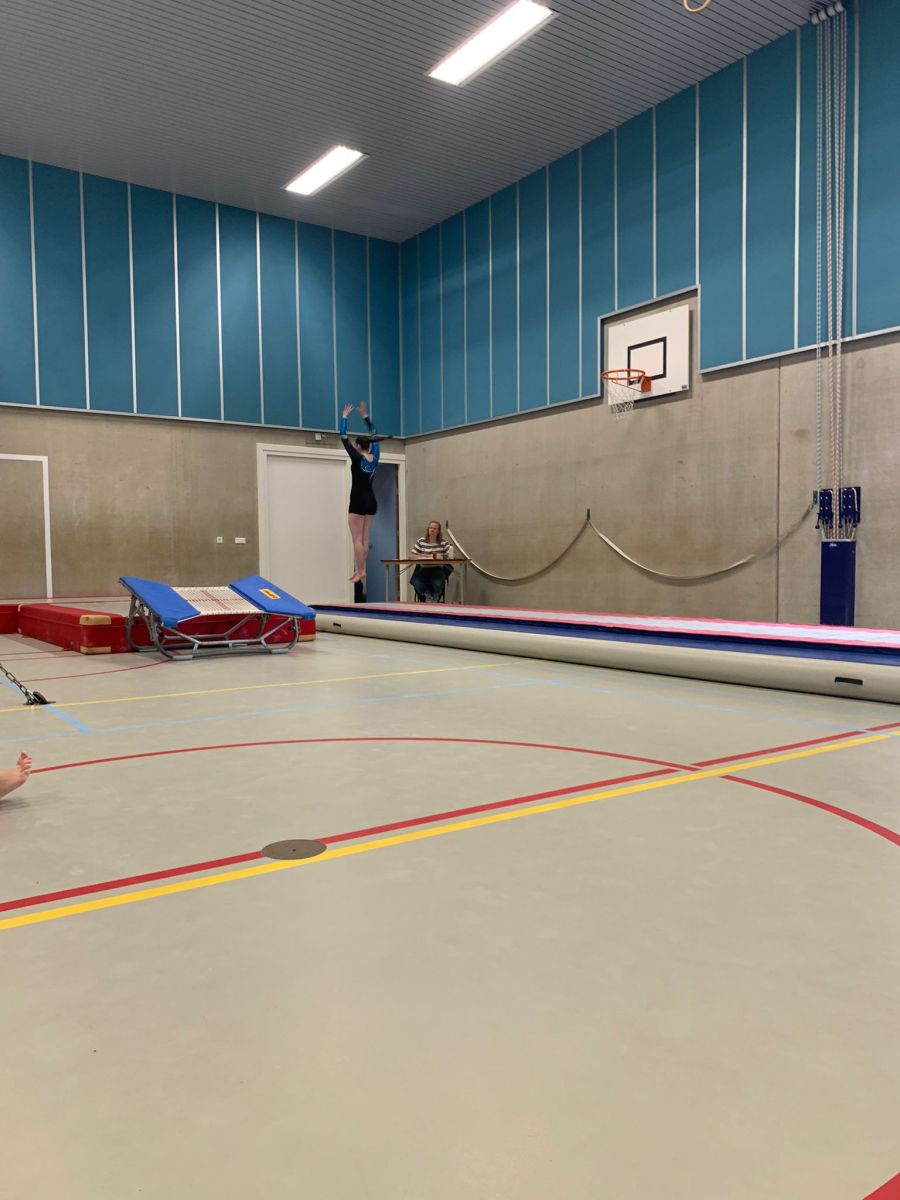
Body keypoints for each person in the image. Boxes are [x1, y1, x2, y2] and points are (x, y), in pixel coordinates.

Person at [339, 401, 381, 584]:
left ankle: (361, 570)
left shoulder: (356, 457)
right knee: (364, 538)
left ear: (357, 446)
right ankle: (361, 569)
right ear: (369, 446)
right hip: (371, 501)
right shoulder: (376, 456)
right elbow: (375, 433)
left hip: (357, 501)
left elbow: (343, 437)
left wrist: (344, 417)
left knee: (356, 539)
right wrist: (365, 416)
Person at [410, 520, 455, 602]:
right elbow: (412, 555)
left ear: (438, 531)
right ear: (428, 530)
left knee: (438, 584)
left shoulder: (444, 542)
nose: (432, 530)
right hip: (423, 568)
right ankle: (427, 595)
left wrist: (441, 557)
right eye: (430, 528)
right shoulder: (421, 541)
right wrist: (423, 556)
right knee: (415, 581)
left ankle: (435, 598)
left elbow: (451, 556)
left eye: (435, 528)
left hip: (437, 568)